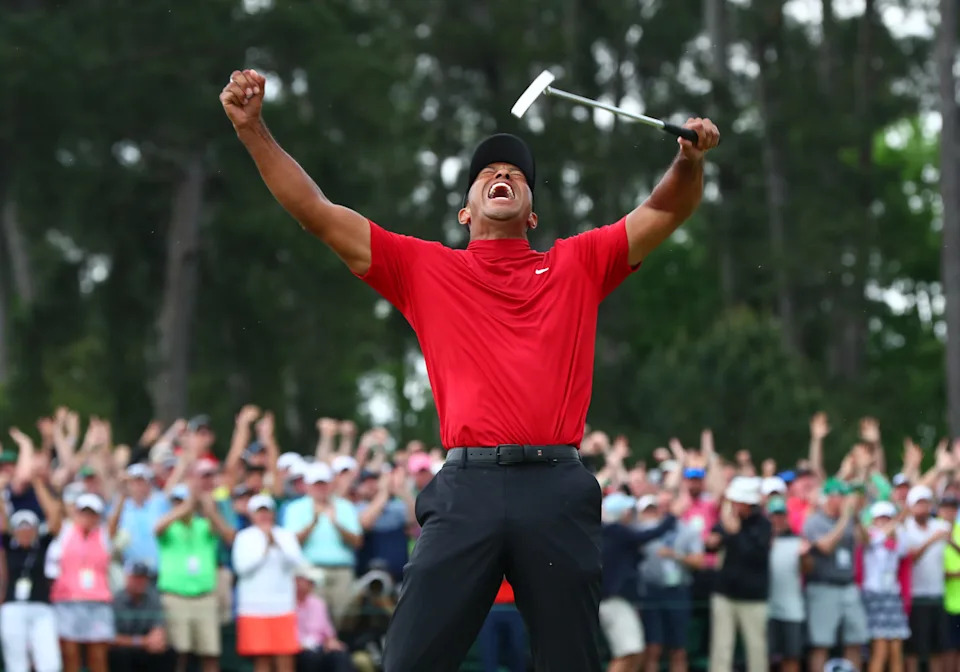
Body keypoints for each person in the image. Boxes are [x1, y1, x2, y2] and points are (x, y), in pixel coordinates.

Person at [220, 67, 719, 672]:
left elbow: (667, 209)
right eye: (488, 173)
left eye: (515, 174)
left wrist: (689, 161)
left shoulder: (578, 263)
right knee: (407, 662)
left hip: (555, 487)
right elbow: (318, 213)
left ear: (532, 213)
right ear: (464, 212)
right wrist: (254, 132)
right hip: (466, 492)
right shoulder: (424, 269)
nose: (503, 175)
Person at [155, 480, 236, 672]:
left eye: (183, 502)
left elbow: (229, 535)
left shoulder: (203, 525)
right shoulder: (169, 526)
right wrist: (186, 507)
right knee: (178, 654)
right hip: (176, 597)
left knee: (210, 653)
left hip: (204, 596)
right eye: (177, 502)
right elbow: (157, 528)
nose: (181, 506)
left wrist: (208, 508)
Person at [0, 459, 63, 672]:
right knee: (15, 663)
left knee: (50, 663)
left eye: (29, 528)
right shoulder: (10, 545)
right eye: (21, 527)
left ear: (35, 530)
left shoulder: (41, 545)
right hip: (13, 606)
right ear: (15, 530)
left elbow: (54, 516)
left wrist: (37, 483)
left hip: (41, 606)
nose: (25, 531)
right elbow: (2, 518)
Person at [49, 492, 122, 672]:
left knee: (97, 657)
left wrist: (122, 496)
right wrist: (57, 493)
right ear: (75, 512)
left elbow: (116, 520)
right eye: (83, 512)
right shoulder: (65, 531)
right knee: (70, 655)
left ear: (98, 516)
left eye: (92, 513)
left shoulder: (104, 534)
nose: (87, 517)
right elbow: (53, 517)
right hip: (68, 601)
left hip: (97, 602)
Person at [233, 494, 306, 672]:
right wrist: (265, 548)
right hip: (254, 608)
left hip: (282, 606)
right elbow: (242, 568)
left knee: (285, 656)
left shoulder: (286, 535)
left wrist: (277, 544)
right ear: (252, 514)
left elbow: (297, 562)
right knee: (261, 658)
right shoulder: (244, 537)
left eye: (267, 511)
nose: (264, 516)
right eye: (260, 512)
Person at [706, 477, 772, 672]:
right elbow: (711, 545)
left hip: (753, 598)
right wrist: (713, 541)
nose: (733, 505)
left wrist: (735, 534)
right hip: (725, 594)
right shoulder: (727, 521)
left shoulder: (763, 525)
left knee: (756, 649)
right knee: (721, 648)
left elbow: (756, 556)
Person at [900, 486, 951, 672]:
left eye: (926, 503)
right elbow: (911, 558)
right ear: (911, 507)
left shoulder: (942, 526)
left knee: (937, 649)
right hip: (915, 596)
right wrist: (931, 540)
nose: (923, 507)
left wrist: (949, 539)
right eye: (919, 503)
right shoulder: (905, 529)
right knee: (914, 650)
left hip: (938, 595)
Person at [862, 501, 911, 672]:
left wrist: (897, 526)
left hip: (893, 597)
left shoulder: (899, 536)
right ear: (874, 520)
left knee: (896, 650)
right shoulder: (869, 534)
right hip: (874, 596)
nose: (883, 521)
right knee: (880, 650)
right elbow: (876, 539)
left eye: (887, 518)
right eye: (880, 518)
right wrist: (897, 520)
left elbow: (904, 550)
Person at [766, 495, 812, 672]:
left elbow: (807, 569)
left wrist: (805, 555)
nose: (777, 520)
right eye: (774, 516)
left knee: (791, 657)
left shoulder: (797, 540)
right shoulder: (762, 540)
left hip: (792, 610)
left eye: (781, 515)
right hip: (767, 608)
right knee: (766, 657)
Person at [110, 561, 174, 672]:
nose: (140, 582)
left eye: (143, 578)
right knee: (119, 654)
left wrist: (153, 640)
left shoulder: (153, 597)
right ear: (128, 578)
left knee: (168, 652)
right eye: (136, 578)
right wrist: (141, 641)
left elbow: (158, 631)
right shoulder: (116, 600)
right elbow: (111, 638)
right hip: (125, 649)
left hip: (146, 647)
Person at [294, 566, 356, 672]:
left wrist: (331, 641)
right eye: (301, 580)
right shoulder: (286, 605)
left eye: (309, 581)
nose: (305, 584)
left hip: (319, 647)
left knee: (340, 655)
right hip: (299, 650)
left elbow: (328, 633)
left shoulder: (318, 604)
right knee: (310, 658)